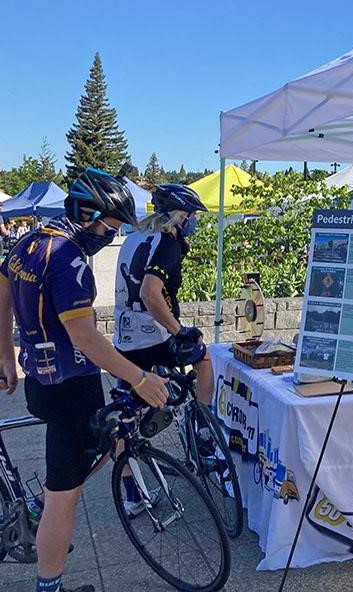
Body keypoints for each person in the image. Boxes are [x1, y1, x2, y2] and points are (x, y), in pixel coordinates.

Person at [0, 167, 170, 592]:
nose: (112, 235)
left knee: (105, 439)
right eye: (111, 225)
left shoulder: (27, 243)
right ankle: (49, 584)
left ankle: (42, 503)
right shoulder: (70, 260)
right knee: (62, 500)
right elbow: (84, 335)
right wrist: (138, 377)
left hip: (42, 380)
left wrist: (6, 358)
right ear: (88, 214)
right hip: (70, 387)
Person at [112, 183, 215, 499]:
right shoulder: (168, 244)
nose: (194, 222)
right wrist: (177, 329)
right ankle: (203, 428)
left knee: (125, 414)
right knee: (202, 356)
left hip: (125, 337)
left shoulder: (133, 238)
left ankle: (132, 494)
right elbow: (149, 292)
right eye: (193, 216)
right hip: (153, 336)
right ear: (181, 217)